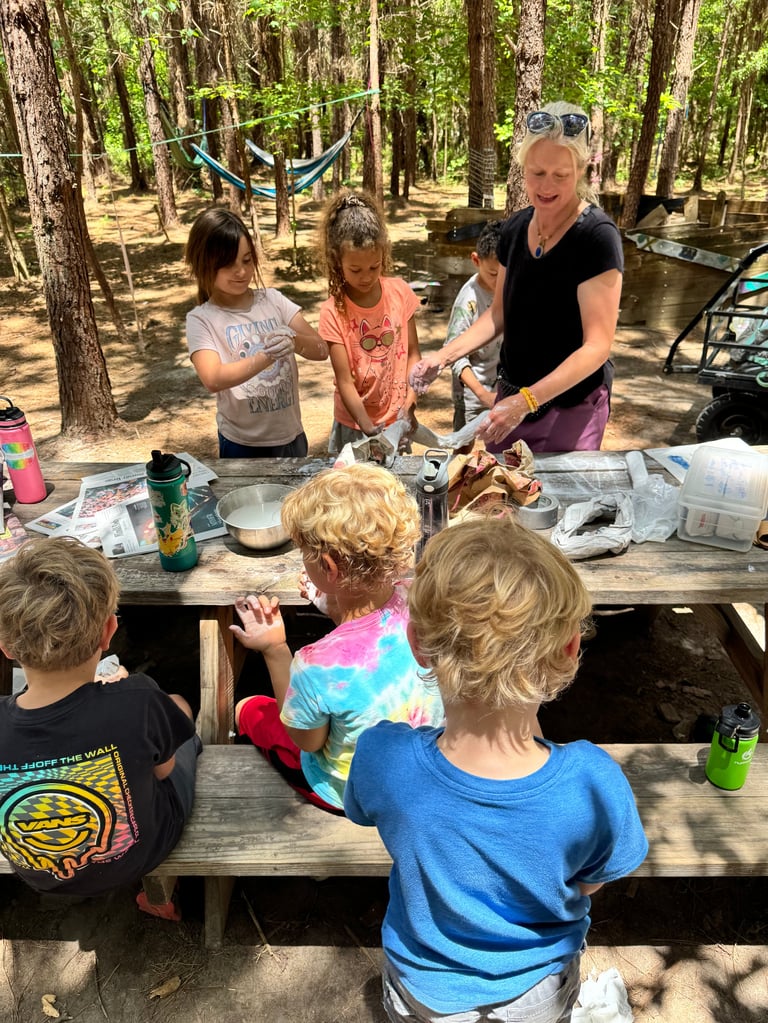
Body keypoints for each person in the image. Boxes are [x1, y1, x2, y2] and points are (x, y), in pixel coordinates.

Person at [345, 515, 648, 1023]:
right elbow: (590, 882)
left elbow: (365, 812)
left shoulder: (384, 757)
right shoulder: (594, 784)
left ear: (418, 641)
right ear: (571, 649)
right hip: (538, 992)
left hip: (422, 989)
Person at [0, 537, 202, 913]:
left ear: (6, 647)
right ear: (109, 631)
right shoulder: (137, 701)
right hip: (142, 853)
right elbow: (165, 770)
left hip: (39, 873)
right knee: (179, 710)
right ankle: (157, 901)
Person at [410, 101, 624, 453]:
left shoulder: (596, 237)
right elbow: (498, 315)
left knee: (556, 498)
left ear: (581, 170)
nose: (547, 186)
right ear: (523, 168)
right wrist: (442, 357)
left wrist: (527, 401)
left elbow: (597, 347)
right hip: (510, 396)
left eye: (561, 175)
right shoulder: (515, 227)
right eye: (537, 172)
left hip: (570, 408)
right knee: (502, 497)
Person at [230, 463, 444, 813]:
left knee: (249, 709)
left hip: (354, 794)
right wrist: (329, 600)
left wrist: (274, 649)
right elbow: (372, 624)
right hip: (424, 773)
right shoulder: (422, 599)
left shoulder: (316, 663)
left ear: (329, 568)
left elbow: (308, 742)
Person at [185, 207, 328, 459]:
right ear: (204, 264)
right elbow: (213, 378)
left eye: (247, 260)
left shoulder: (273, 300)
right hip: (241, 444)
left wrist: (294, 343)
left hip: (291, 437)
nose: (241, 271)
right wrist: (267, 356)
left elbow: (321, 349)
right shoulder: (201, 319)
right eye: (228, 264)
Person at [317, 189, 423, 455]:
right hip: (354, 425)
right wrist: (367, 426)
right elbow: (344, 381)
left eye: (374, 267)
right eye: (355, 270)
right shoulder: (333, 312)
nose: (366, 277)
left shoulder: (400, 293)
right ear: (336, 260)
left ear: (383, 256)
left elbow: (413, 355)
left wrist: (410, 404)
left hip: (396, 421)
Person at [443, 219, 504, 431]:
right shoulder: (468, 300)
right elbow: (454, 354)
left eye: (506, 273)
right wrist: (482, 395)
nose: (500, 281)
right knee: (464, 446)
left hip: (503, 388)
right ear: (476, 261)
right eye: (493, 274)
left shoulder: (510, 288)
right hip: (472, 393)